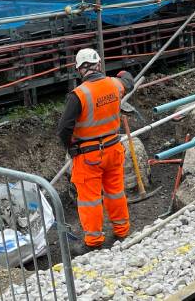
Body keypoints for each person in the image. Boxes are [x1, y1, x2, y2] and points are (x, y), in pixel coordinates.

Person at [57, 48, 134, 249]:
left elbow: (64, 129)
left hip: (89, 156)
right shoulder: (115, 85)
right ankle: (122, 231)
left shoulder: (78, 95)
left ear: (79, 70)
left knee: (89, 199)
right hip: (114, 149)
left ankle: (93, 242)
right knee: (115, 192)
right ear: (98, 65)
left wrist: (70, 148)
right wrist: (123, 74)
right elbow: (128, 81)